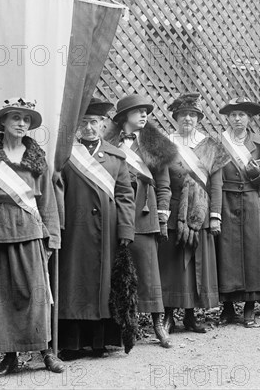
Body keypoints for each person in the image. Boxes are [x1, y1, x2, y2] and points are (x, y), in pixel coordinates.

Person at [0, 98, 65, 377]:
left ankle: (46, 351)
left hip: (30, 232)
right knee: (1, 297)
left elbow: (48, 204)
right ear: (3, 123)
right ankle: (10, 356)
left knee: (36, 294)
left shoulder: (37, 159)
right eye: (15, 118)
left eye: (26, 119)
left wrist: (51, 238)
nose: (21, 123)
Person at [57, 98, 136, 359]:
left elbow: (125, 196)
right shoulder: (66, 155)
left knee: (104, 286)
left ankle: (100, 341)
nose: (89, 128)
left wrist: (125, 230)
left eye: (94, 122)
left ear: (103, 125)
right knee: (73, 283)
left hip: (108, 233)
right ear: (76, 126)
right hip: (74, 234)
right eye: (83, 123)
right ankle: (72, 344)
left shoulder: (115, 157)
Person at [104, 94, 178, 348]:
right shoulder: (108, 144)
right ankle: (125, 326)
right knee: (121, 270)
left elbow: (165, 185)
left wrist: (163, 214)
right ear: (125, 117)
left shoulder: (155, 146)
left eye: (147, 111)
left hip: (146, 213)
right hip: (117, 214)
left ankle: (158, 323)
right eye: (138, 111)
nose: (145, 115)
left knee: (149, 271)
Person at [159, 93, 229, 333]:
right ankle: (168, 315)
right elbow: (160, 181)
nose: (187, 118)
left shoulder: (210, 145)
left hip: (200, 211)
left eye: (192, 115)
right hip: (174, 209)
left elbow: (217, 184)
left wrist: (215, 216)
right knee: (171, 266)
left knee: (195, 266)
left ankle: (190, 315)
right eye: (183, 114)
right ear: (176, 117)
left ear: (198, 118)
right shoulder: (166, 143)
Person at [217, 97, 260, 328]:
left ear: (249, 118)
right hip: (226, 199)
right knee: (227, 253)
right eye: (233, 115)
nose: (237, 119)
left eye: (242, 114)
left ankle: (250, 308)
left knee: (253, 253)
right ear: (228, 119)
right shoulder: (218, 143)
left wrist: (258, 171)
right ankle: (228, 308)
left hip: (252, 199)